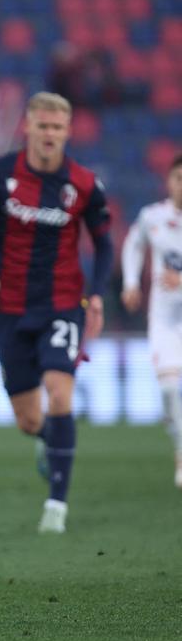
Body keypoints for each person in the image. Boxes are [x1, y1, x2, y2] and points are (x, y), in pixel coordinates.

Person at [0, 91, 113, 534]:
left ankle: (56, 507)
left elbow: (104, 243)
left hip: (63, 304)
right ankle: (50, 443)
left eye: (57, 128)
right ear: (27, 126)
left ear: (67, 131)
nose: (49, 134)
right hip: (8, 308)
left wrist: (97, 295)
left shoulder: (83, 183)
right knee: (29, 421)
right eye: (42, 126)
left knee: (60, 392)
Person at [121, 153, 182, 489]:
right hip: (165, 320)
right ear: (169, 181)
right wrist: (131, 283)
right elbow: (133, 244)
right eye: (178, 178)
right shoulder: (152, 217)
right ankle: (180, 452)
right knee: (170, 389)